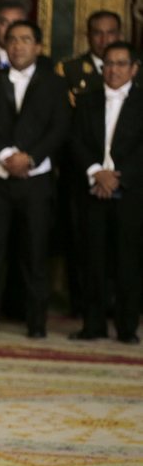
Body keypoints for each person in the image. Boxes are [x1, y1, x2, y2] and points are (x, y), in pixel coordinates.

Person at [0, 21, 70, 339]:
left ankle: (36, 324)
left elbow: (60, 128)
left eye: (26, 40)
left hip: (35, 179)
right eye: (12, 40)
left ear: (39, 47)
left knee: (35, 253)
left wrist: (30, 157)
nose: (18, 46)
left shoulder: (54, 84)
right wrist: (5, 154)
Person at [69, 42, 143, 344]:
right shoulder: (86, 101)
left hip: (131, 192)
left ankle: (127, 328)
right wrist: (96, 172)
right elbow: (74, 141)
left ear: (134, 69)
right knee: (92, 260)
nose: (113, 69)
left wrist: (117, 177)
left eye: (121, 64)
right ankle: (93, 325)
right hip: (92, 190)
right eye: (109, 64)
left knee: (129, 261)